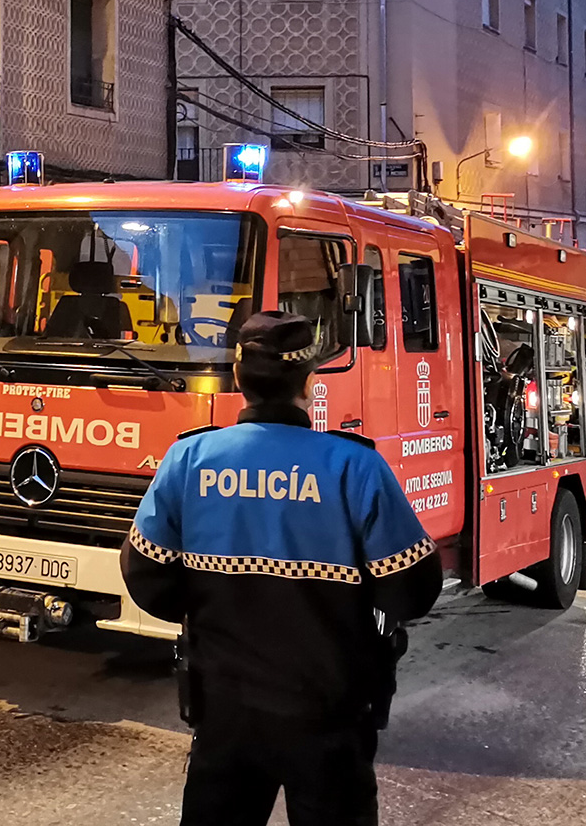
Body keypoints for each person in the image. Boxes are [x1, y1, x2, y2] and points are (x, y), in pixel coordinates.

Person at [120, 311, 442, 826]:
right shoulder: (354, 465)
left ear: (239, 380)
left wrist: (217, 608)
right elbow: (413, 588)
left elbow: (146, 575)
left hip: (224, 710)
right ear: (309, 382)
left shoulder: (189, 459)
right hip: (330, 712)